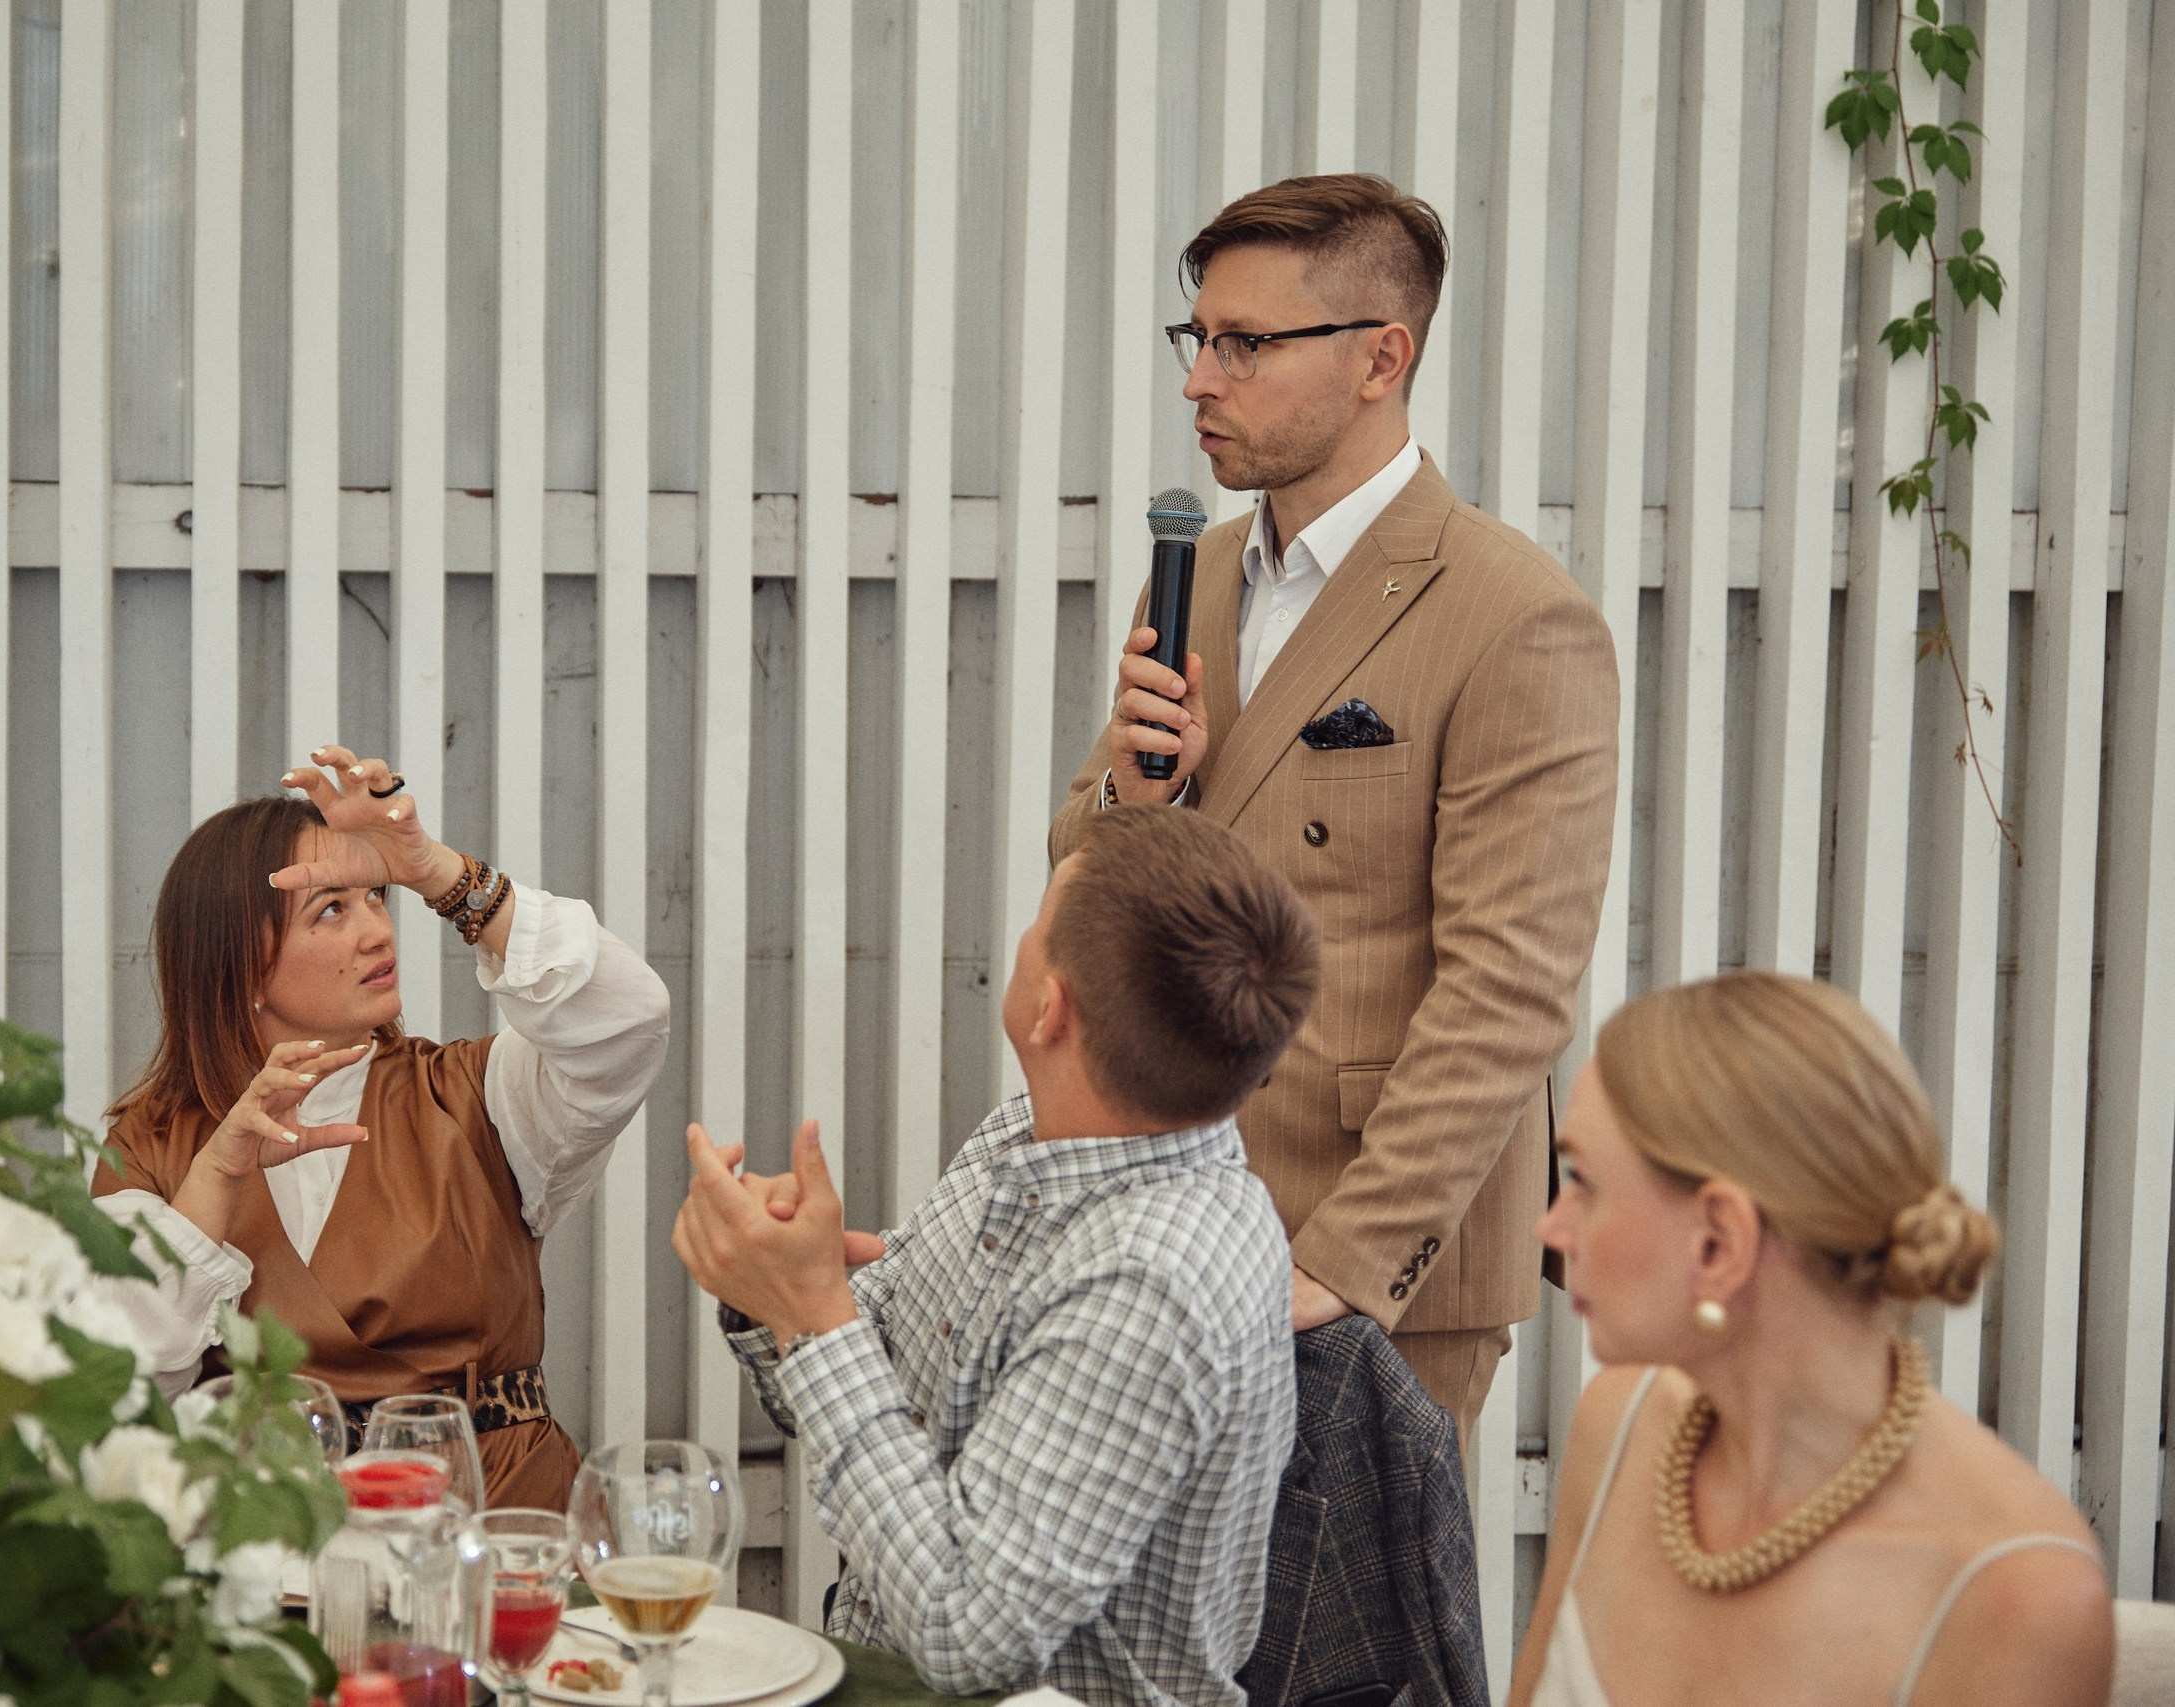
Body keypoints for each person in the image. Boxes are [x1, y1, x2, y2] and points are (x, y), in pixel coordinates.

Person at [1052, 172, 1619, 1436]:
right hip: (1172, 1219)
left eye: (1244, 344)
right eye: (1195, 340)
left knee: (1328, 1637)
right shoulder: (1193, 573)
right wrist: (1143, 787)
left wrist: (1345, 1266)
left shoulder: (1514, 616)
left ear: (1381, 358)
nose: (1200, 379)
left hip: (1365, 1267)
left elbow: (1508, 988)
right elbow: (1080, 876)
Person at [672, 807, 1315, 1707]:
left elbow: (963, 1633)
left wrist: (814, 1318)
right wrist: (789, 1284)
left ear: (1050, 1006)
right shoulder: (1032, 1132)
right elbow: (877, 1375)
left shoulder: (1151, 1282)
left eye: (1033, 927)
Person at [91, 744, 670, 1509]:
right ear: (235, 960)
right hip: (265, 1564)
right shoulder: (151, 1144)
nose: (378, 932)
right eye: (331, 908)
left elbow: (631, 1017)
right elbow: (107, 1395)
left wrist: (435, 871)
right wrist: (216, 1180)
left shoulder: (477, 1098)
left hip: (491, 1547)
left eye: (377, 898)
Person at [1514, 972, 2111, 1707]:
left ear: (1720, 1241)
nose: (1551, 1226)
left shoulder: (2021, 1593)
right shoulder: (1620, 1426)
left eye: (1583, 1180)